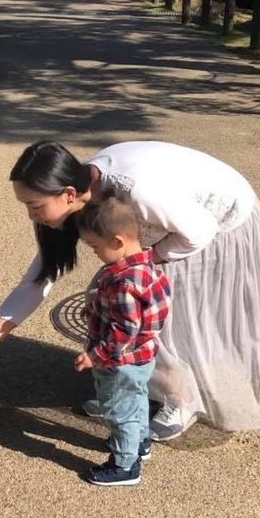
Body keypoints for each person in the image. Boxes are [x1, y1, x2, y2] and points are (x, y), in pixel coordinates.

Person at [0, 140, 260, 441]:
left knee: (147, 309)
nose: (31, 215)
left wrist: (150, 258)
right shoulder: (73, 193)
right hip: (169, 223)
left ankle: (181, 401)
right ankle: (125, 393)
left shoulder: (134, 192)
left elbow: (199, 231)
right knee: (109, 298)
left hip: (218, 218)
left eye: (35, 206)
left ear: (69, 195)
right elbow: (35, 283)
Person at [73, 192, 171, 485]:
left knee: (119, 411)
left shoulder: (123, 283)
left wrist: (94, 355)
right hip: (143, 356)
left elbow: (124, 331)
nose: (93, 252)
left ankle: (125, 465)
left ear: (117, 242)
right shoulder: (148, 268)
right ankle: (140, 442)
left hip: (120, 361)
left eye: (94, 246)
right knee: (136, 399)